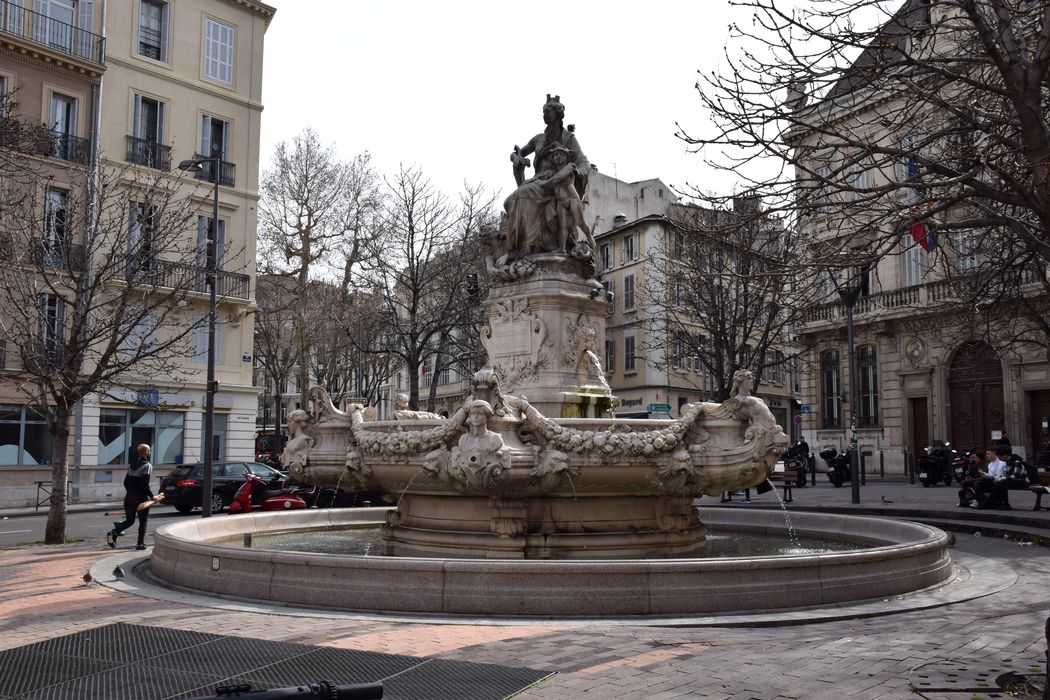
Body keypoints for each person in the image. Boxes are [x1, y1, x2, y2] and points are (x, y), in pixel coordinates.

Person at [107, 443, 155, 550]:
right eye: (149, 450)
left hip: (129, 498)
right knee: (143, 522)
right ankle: (140, 544)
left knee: (130, 520)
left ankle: (114, 532)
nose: (150, 452)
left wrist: (131, 493)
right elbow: (144, 485)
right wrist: (152, 497)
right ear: (146, 452)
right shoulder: (147, 466)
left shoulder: (131, 466)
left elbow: (125, 482)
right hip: (141, 499)